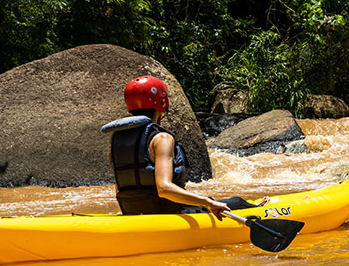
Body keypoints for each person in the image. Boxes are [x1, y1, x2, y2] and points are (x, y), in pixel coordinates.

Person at [106, 75, 254, 218]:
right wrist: (208, 202)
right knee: (238, 202)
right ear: (161, 102)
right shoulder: (162, 139)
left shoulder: (117, 138)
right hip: (169, 214)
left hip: (134, 214)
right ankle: (261, 207)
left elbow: (120, 188)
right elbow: (164, 189)